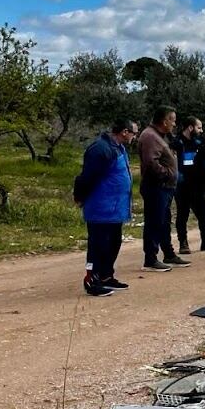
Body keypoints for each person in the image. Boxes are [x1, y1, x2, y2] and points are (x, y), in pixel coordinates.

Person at [75, 119, 137, 296]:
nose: (135, 137)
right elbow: (86, 177)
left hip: (115, 209)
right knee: (98, 246)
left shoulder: (118, 148)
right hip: (101, 208)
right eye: (134, 133)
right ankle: (92, 280)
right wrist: (80, 197)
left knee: (113, 243)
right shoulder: (101, 149)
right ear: (124, 132)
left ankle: (106, 276)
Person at [137, 107, 189, 271]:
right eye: (172, 120)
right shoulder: (150, 136)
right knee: (154, 221)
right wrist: (167, 174)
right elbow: (151, 162)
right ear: (164, 121)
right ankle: (150, 259)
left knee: (164, 221)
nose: (174, 124)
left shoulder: (161, 136)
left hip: (165, 187)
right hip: (156, 186)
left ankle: (169, 253)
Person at [170, 117, 205, 254]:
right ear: (190, 127)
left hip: (198, 185)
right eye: (199, 127)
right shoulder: (177, 143)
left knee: (203, 213)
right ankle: (183, 243)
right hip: (182, 186)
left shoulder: (200, 142)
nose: (201, 130)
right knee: (183, 214)